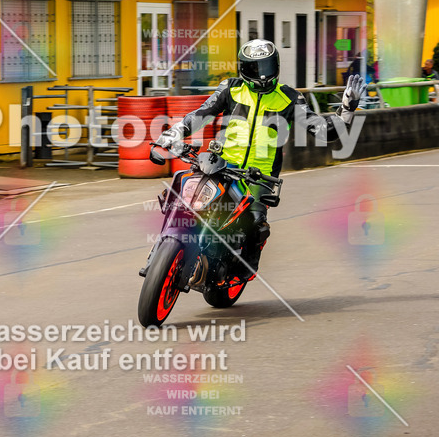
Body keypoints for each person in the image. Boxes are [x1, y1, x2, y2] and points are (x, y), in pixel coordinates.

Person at [156, 39, 365, 277]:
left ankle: (245, 265)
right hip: (220, 164)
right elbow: (201, 114)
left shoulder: (289, 98)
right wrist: (175, 132)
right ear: (243, 69)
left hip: (259, 176)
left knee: (253, 222)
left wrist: (347, 109)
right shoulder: (230, 88)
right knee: (184, 193)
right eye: (255, 68)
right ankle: (168, 247)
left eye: (266, 67)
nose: (262, 75)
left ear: (275, 66)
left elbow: (324, 131)